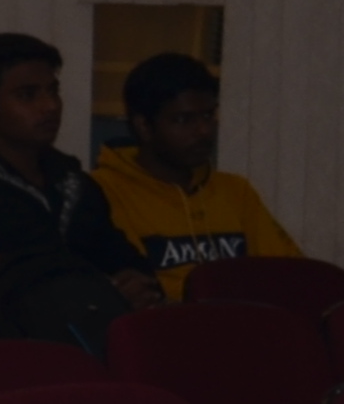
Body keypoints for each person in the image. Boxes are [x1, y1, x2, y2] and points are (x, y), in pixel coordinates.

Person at [0, 30, 151, 276]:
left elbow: (125, 260)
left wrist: (134, 282)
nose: (50, 106)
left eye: (53, 91)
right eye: (27, 95)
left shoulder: (76, 184)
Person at [90, 53, 304, 298]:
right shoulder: (102, 192)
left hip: (245, 320)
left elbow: (291, 275)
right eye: (184, 120)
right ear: (144, 126)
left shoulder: (236, 191)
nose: (204, 131)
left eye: (208, 116)